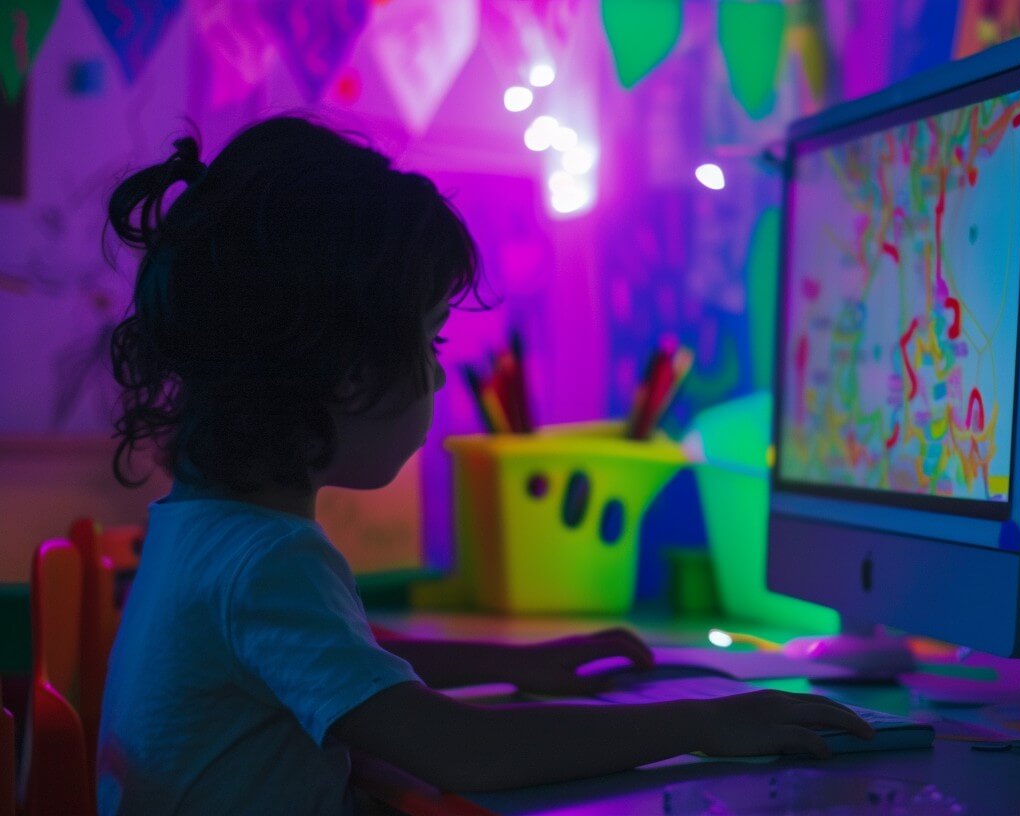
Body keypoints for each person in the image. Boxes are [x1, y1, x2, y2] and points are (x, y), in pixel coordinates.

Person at [97, 116, 871, 814]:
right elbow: (467, 752)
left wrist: (519, 662)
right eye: (430, 342)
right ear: (348, 376)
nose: (437, 376)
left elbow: (350, 661)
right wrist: (703, 721)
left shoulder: (197, 525)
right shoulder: (270, 559)